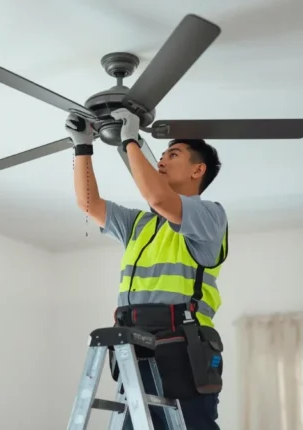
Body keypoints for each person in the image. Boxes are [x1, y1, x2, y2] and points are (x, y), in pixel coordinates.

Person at [66, 108, 229, 430]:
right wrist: (83, 146)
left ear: (198, 170)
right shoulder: (139, 223)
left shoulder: (210, 215)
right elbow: (89, 204)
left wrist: (131, 140)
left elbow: (159, 198)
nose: (162, 160)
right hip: (136, 343)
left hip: (184, 345)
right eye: (163, 154)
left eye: (173, 153)